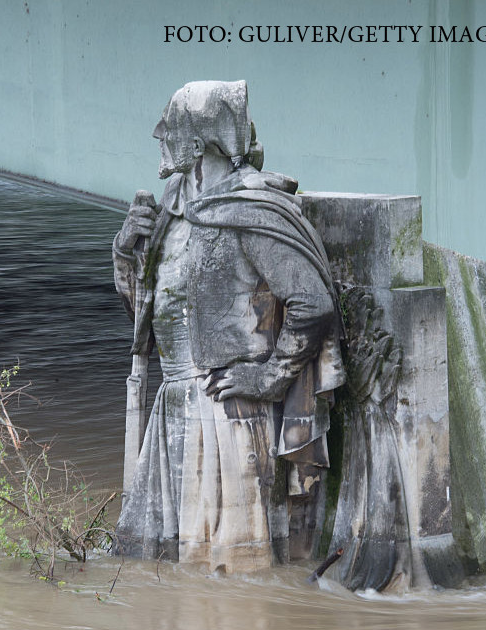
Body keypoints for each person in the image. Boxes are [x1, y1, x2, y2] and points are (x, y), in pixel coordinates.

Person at [112, 80, 344, 573]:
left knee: (230, 578)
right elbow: (148, 319)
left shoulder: (249, 209)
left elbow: (313, 302)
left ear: (197, 143)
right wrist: (125, 252)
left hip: (225, 416)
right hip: (170, 406)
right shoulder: (173, 208)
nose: (158, 134)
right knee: (149, 569)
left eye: (168, 126)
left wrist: (270, 377)